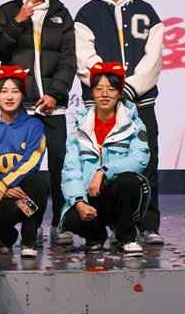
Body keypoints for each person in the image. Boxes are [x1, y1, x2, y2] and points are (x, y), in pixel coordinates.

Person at [74, 0, 164, 245]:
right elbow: (85, 57)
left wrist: (129, 90)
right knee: (100, 164)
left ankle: (148, 225)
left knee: (146, 162)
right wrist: (110, 91)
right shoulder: (87, 12)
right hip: (101, 107)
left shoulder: (146, 10)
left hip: (140, 102)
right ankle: (110, 224)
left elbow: (153, 58)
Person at [0, 0, 77, 245]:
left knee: (59, 166)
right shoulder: (7, 10)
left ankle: (61, 224)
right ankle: (33, 225)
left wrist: (55, 93)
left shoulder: (60, 12)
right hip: (21, 107)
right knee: (25, 170)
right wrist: (18, 20)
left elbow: (68, 57)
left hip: (52, 106)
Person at [59, 62, 150, 257]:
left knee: (128, 181)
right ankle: (96, 237)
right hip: (91, 196)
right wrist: (79, 202)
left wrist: (104, 171)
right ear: (92, 93)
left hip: (118, 196)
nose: (105, 94)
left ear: (120, 94)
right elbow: (70, 170)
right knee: (71, 218)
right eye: (99, 89)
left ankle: (127, 238)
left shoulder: (134, 124)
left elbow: (140, 158)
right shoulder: (79, 128)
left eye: (111, 89)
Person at [0, 65, 49, 257]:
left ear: (22, 95)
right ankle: (6, 237)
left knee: (38, 185)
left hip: (21, 186)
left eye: (15, 91)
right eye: (4, 92)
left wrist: (5, 184)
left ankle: (29, 238)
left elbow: (32, 160)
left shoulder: (34, 125)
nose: (9, 97)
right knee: (4, 212)